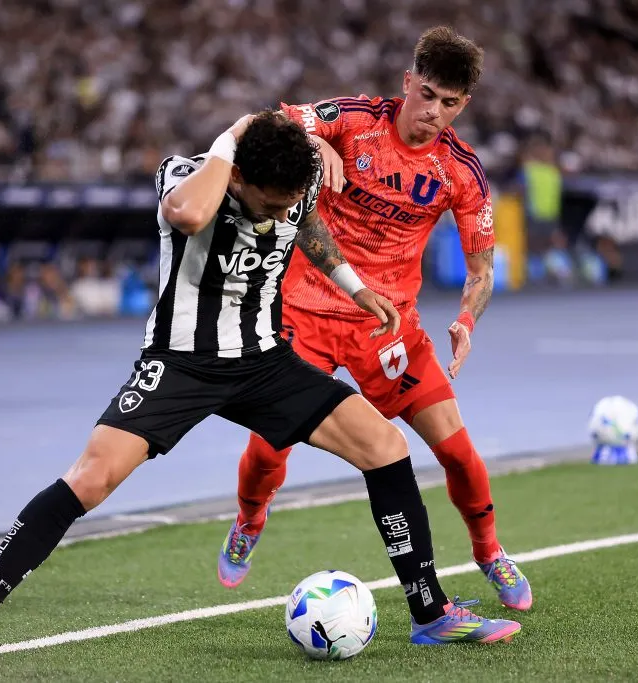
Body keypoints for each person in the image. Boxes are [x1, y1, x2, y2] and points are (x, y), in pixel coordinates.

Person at [0, 111, 521, 671]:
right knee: (90, 479)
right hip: (181, 365)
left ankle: (430, 613)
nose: (276, 215)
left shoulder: (292, 188)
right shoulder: (186, 177)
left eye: (286, 203)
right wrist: (230, 141)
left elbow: (308, 226)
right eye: (267, 203)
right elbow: (187, 216)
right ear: (237, 175)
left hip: (264, 362)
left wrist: (354, 286)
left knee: (386, 447)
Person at [217, 26, 533, 612]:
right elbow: (272, 123)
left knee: (458, 452)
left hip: (388, 326)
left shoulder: (461, 171)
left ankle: (489, 550)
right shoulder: (356, 119)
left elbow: (481, 270)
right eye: (427, 94)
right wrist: (317, 144)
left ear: (463, 105)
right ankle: (249, 520)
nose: (432, 112)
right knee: (268, 449)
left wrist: (467, 320)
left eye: (449, 103)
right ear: (408, 82)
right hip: (305, 312)